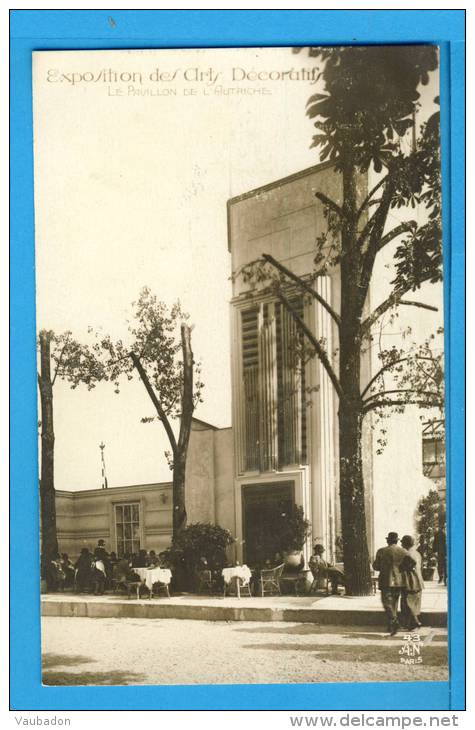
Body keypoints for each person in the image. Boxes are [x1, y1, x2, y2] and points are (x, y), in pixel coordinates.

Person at [373, 532, 415, 635]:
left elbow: (376, 566)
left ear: (388, 540)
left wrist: (385, 567)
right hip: (399, 581)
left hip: (386, 580)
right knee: (395, 603)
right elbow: (413, 563)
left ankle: (393, 621)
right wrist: (401, 569)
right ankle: (391, 625)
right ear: (397, 541)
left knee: (387, 602)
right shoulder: (403, 551)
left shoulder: (381, 551)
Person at [400, 535, 425, 630]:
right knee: (415, 603)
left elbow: (403, 568)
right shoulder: (417, 553)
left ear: (405, 544)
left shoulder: (406, 555)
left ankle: (415, 622)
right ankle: (411, 624)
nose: (401, 544)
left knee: (407, 603)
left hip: (410, 581)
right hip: (419, 580)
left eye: (402, 542)